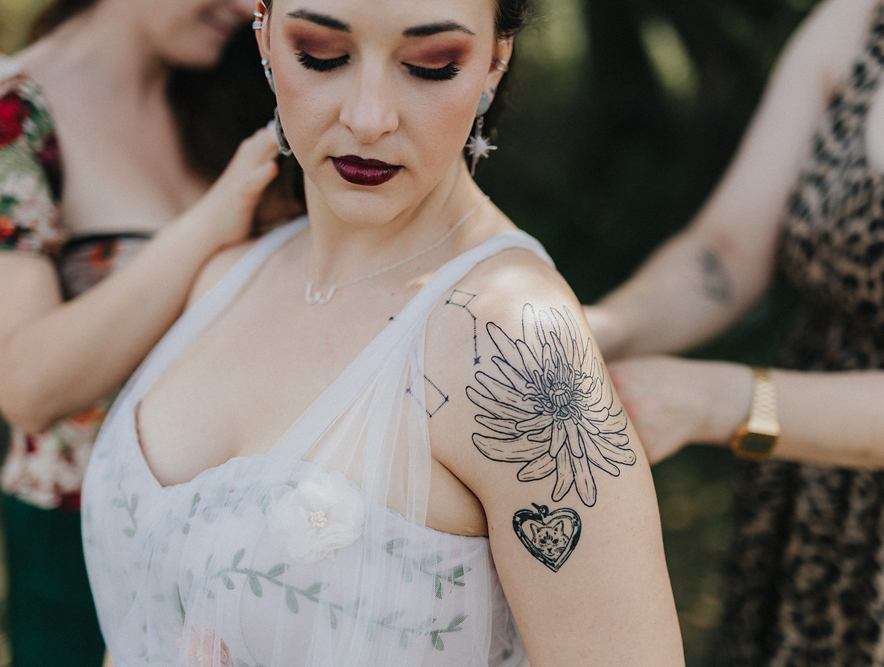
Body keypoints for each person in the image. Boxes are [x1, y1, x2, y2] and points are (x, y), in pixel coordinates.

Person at [80, 0, 685, 665]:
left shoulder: (515, 344)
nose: (369, 118)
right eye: (321, 55)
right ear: (265, 36)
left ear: (494, 62)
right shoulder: (224, 277)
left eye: (430, 65)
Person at [586, 0, 884, 663]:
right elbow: (725, 253)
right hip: (804, 499)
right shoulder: (868, 17)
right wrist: (592, 329)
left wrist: (718, 400)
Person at [0, 0, 302, 663]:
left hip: (250, 545)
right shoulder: (14, 111)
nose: (245, 6)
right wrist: (210, 223)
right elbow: (24, 385)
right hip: (83, 549)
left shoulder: (238, 97)